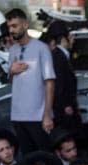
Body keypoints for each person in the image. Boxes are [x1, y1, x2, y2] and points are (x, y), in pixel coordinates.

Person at [5, 8, 56, 154]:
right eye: (9, 27)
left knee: (44, 160)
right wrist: (11, 71)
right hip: (18, 116)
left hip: (38, 117)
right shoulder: (13, 51)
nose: (11, 30)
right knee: (28, 160)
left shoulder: (41, 48)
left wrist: (47, 114)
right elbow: (10, 82)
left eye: (14, 26)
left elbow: (50, 82)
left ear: (25, 25)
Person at [44, 20, 81, 137]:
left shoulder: (62, 55)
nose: (73, 40)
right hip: (63, 109)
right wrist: (65, 105)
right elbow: (58, 84)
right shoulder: (58, 57)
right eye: (71, 37)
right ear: (65, 39)